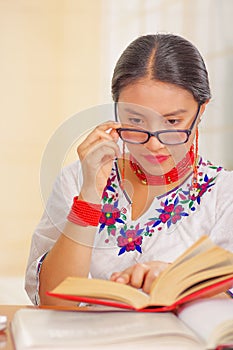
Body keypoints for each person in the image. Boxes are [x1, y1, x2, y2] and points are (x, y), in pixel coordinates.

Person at [25, 33, 233, 305]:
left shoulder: (224, 195)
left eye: (172, 121)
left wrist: (177, 280)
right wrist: (90, 194)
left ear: (200, 111)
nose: (155, 144)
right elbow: (54, 302)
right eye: (135, 120)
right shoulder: (76, 179)